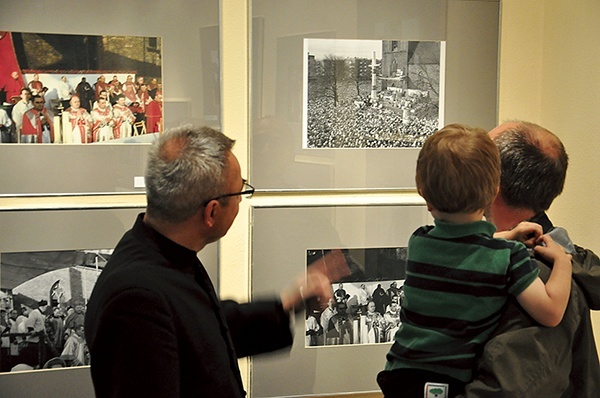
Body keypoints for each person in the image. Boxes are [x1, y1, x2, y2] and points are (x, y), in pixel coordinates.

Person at [84, 125, 349, 397]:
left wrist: (288, 303)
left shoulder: (160, 254)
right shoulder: (137, 301)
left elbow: (201, 332)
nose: (241, 200)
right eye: (240, 192)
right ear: (211, 212)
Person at [377, 124, 572, 397]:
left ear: (424, 194)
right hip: (447, 383)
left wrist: (507, 236)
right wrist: (564, 261)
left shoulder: (420, 241)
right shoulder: (507, 258)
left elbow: (464, 246)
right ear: (494, 191)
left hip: (399, 375)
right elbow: (551, 313)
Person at [464, 121, 600, 397]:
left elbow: (508, 391)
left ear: (493, 185)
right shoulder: (539, 261)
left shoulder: (534, 279)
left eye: (476, 165)